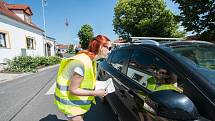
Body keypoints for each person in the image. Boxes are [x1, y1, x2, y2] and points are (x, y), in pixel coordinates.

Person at [54, 35, 111, 121]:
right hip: (70, 104)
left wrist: (98, 85)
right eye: (109, 48)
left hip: (76, 103)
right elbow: (73, 90)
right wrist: (96, 93)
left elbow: (87, 80)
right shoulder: (82, 62)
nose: (110, 51)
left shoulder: (91, 60)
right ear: (101, 47)